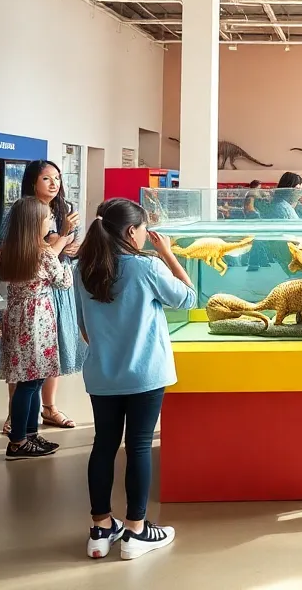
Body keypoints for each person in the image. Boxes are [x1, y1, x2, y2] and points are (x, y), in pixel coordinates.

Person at [74, 198, 196, 559]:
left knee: (104, 445)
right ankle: (136, 532)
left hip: (102, 374)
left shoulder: (83, 268)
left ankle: (100, 529)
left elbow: (84, 329)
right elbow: (188, 298)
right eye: (143, 229)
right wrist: (168, 255)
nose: (146, 235)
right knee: (139, 446)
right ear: (131, 231)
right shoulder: (146, 267)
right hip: (145, 374)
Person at [0, 198, 73, 461]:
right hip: (37, 321)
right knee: (30, 384)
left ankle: (29, 435)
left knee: (31, 380)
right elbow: (63, 282)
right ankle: (18, 440)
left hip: (17, 317)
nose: (49, 223)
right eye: (47, 219)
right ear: (35, 224)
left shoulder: (11, 250)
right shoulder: (44, 253)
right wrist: (66, 262)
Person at [18, 160, 84, 432]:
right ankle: (18, 419)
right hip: (38, 288)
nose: (54, 183)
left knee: (53, 346)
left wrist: (73, 246)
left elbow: (72, 248)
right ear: (32, 182)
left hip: (56, 283)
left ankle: (48, 408)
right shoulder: (23, 212)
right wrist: (62, 238)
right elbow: (42, 251)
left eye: (57, 178)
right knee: (27, 358)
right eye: (47, 178)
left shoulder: (65, 209)